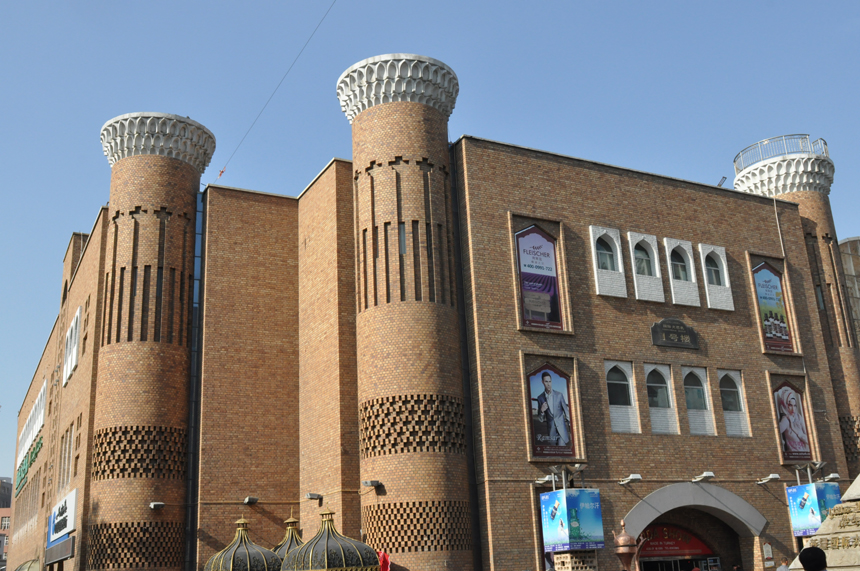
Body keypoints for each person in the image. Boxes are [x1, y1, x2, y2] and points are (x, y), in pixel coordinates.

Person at [536, 371, 571, 447]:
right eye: (546, 382)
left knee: (561, 449)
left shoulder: (559, 395)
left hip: (561, 430)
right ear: (542, 382)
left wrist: (570, 424)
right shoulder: (540, 398)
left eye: (549, 381)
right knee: (554, 452)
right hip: (551, 431)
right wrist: (542, 411)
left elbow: (566, 411)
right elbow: (540, 419)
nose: (548, 384)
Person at [775, 386, 810, 454]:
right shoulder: (786, 419)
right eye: (790, 405)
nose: (793, 409)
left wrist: (795, 429)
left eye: (795, 405)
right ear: (785, 405)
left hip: (805, 454)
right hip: (794, 455)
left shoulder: (799, 417)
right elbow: (775, 432)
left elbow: (809, 440)